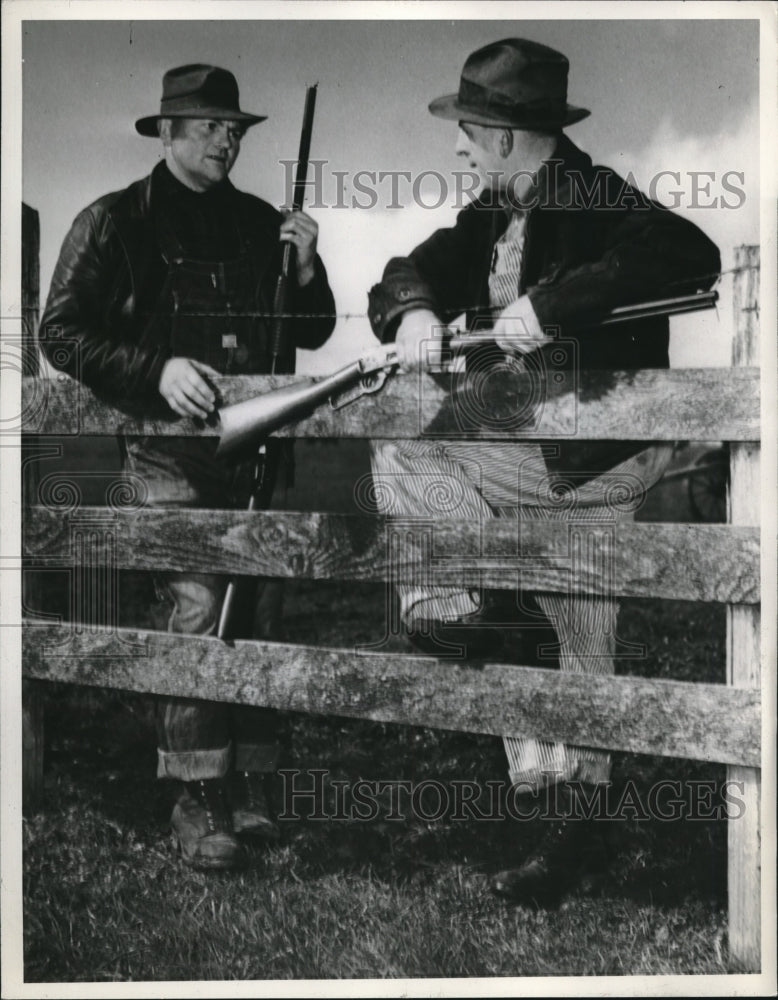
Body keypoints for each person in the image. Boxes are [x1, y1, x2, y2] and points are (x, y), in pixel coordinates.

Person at [367, 38, 720, 905]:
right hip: (535, 454)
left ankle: (460, 613)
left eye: (467, 130)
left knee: (411, 449)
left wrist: (548, 307)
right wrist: (413, 309)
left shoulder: (596, 196)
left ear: (505, 135)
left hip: (593, 455)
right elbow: (398, 275)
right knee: (583, 640)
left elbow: (691, 252)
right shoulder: (489, 214)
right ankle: (570, 841)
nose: (456, 146)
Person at [40, 64, 336, 870]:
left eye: (233, 127)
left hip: (259, 451)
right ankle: (196, 796)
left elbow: (309, 332)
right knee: (201, 605)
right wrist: (154, 371)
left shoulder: (259, 222)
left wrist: (307, 271)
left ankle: (252, 788)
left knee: (261, 610)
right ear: (166, 133)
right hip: (166, 449)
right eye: (209, 127)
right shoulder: (113, 222)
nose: (227, 139)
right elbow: (60, 334)